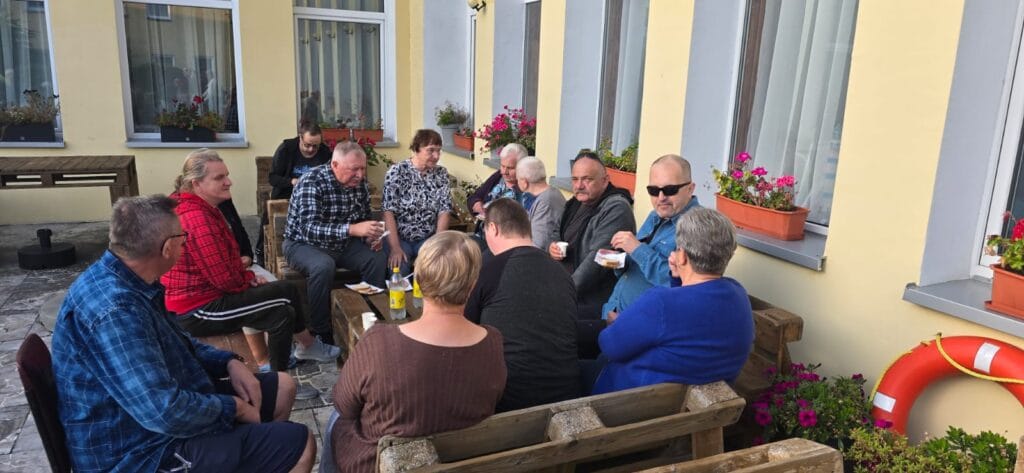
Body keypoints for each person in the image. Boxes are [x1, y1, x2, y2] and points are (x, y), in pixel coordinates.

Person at [52, 195, 315, 473]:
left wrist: (228, 362)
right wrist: (234, 408)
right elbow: (163, 412)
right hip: (138, 452)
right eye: (183, 238)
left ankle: (254, 457)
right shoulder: (116, 311)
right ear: (167, 248)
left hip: (156, 416)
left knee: (283, 387)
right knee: (300, 444)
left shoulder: (129, 279)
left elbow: (177, 341)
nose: (185, 243)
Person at [329, 231, 506, 472]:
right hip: (459, 461)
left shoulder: (378, 341)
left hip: (379, 464)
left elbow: (343, 405)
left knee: (336, 420)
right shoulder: (492, 342)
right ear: (473, 285)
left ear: (418, 281)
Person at [161, 150, 340, 386]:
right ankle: (301, 353)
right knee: (285, 294)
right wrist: (247, 280)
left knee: (282, 312)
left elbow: (225, 262)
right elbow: (224, 279)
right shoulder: (197, 218)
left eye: (227, 175)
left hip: (204, 296)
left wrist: (246, 276)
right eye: (219, 178)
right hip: (196, 308)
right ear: (196, 183)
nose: (228, 182)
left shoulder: (200, 207)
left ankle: (279, 380)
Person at [590, 208, 755, 395]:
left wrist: (617, 324)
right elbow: (688, 320)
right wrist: (677, 279)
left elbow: (610, 346)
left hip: (628, 400)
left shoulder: (661, 303)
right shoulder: (738, 294)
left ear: (682, 256)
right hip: (696, 406)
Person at [465, 198, 578, 411]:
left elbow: (465, 330)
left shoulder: (487, 270)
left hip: (508, 402)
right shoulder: (562, 273)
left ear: (493, 228)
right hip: (565, 395)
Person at [284, 141, 387, 344]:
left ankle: (370, 316)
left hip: (343, 244)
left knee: (376, 258)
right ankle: (321, 332)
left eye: (363, 169)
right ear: (335, 165)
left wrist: (370, 236)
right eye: (354, 169)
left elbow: (363, 218)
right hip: (302, 244)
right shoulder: (311, 181)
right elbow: (308, 228)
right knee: (323, 266)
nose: (360, 175)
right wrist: (352, 229)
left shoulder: (359, 184)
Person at [602, 154, 700, 320]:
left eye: (670, 190)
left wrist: (637, 249)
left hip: (642, 325)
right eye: (653, 191)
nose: (661, 198)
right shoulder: (656, 215)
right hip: (614, 311)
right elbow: (638, 266)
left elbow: (683, 285)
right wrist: (619, 260)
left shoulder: (697, 226)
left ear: (690, 189)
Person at [547, 151, 634, 318]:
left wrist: (563, 293)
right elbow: (555, 231)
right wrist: (552, 246)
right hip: (565, 284)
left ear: (605, 180)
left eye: (587, 179)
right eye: (575, 179)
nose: (579, 185)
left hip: (592, 298)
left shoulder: (616, 208)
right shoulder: (574, 203)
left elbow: (599, 260)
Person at [256, 122, 333, 265]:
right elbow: (273, 178)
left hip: (314, 197)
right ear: (300, 138)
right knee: (268, 213)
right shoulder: (286, 149)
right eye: (307, 145)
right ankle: (260, 251)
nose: (311, 149)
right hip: (286, 194)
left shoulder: (324, 152)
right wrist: (292, 181)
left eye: (315, 146)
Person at [382, 129, 453, 273]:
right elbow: (388, 212)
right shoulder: (397, 172)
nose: (436, 156)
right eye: (431, 150)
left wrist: (436, 245)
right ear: (416, 149)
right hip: (400, 238)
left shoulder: (441, 174)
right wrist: (395, 248)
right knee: (398, 269)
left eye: (438, 151)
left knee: (434, 268)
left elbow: (444, 210)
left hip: (428, 238)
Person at [515, 156, 566, 250]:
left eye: (517, 179)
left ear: (524, 182)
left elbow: (538, 245)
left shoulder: (546, 202)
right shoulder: (546, 195)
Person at [467, 143, 527, 216]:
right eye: (502, 166)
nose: (504, 172)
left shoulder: (527, 188)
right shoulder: (498, 176)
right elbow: (475, 196)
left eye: (510, 168)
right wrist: (476, 203)